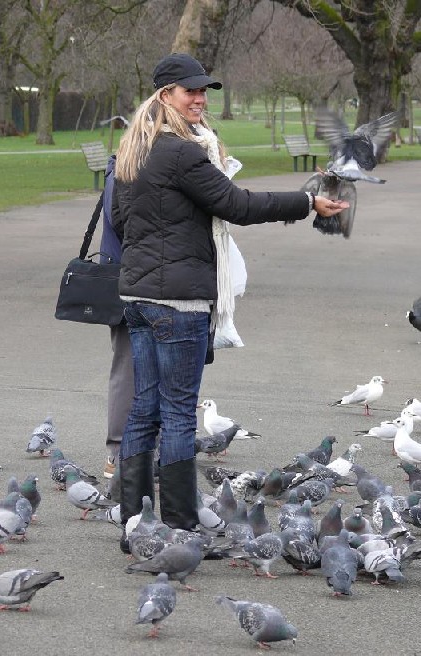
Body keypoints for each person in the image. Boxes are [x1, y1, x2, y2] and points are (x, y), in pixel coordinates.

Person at [112, 52, 348, 550]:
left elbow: (120, 223)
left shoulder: (134, 151)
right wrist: (306, 202)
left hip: (136, 296)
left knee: (143, 410)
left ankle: (134, 522)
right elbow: (236, 205)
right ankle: (177, 524)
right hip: (178, 301)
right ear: (165, 96)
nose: (199, 98)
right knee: (177, 413)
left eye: (203, 90)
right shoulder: (180, 152)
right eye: (188, 91)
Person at [100, 156, 135, 479]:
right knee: (127, 367)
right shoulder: (126, 172)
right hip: (128, 282)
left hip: (136, 278)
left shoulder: (124, 168)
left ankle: (131, 450)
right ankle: (118, 452)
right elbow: (125, 224)